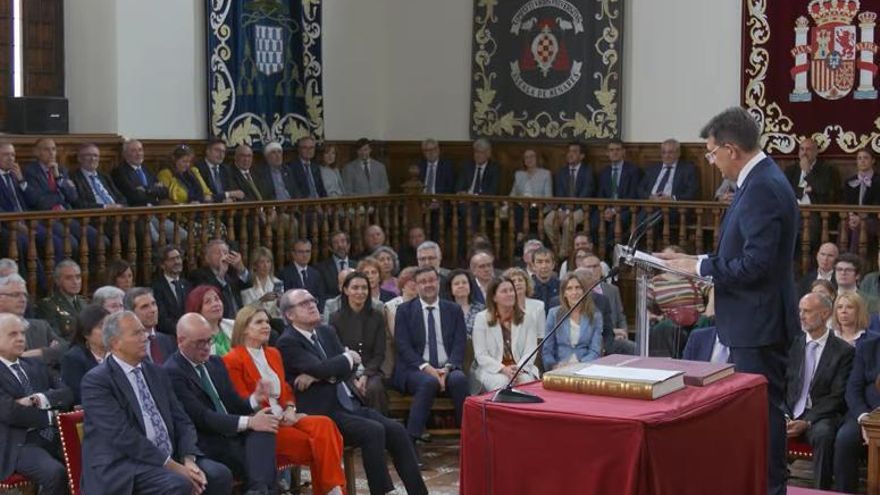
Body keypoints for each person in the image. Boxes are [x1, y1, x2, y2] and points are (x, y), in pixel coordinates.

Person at [659, 107, 799, 495]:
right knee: (754, 416)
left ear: (731, 149)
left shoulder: (764, 188)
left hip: (760, 323)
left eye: (711, 153)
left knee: (763, 415)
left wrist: (700, 266)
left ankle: (770, 488)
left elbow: (757, 264)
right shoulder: (759, 182)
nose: (711, 161)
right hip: (753, 320)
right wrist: (693, 261)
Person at [276, 289, 427, 495]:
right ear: (289, 315)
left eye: (312, 300)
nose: (312, 305)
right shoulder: (288, 341)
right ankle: (383, 491)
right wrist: (346, 357)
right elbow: (335, 365)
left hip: (348, 403)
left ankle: (419, 492)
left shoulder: (326, 332)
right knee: (373, 430)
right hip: (323, 413)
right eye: (303, 303)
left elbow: (347, 369)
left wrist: (318, 374)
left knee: (396, 430)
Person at [80, 311, 233, 495]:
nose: (145, 337)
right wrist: (173, 466)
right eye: (136, 333)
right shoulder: (97, 381)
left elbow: (181, 420)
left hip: (170, 456)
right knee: (179, 483)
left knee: (219, 475)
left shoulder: (156, 372)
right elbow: (123, 436)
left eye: (143, 332)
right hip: (126, 465)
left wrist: (188, 458)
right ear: (115, 343)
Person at [223, 306, 347, 495]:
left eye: (267, 321)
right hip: (265, 426)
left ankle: (332, 490)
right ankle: (333, 490)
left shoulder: (273, 353)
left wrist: (290, 408)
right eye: (259, 322)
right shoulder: (233, 359)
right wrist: (279, 416)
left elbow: (286, 389)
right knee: (319, 444)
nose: (266, 326)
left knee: (326, 425)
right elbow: (240, 402)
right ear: (244, 328)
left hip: (287, 416)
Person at [164, 313, 279, 494]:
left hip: (230, 433)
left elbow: (233, 403)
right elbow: (203, 417)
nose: (206, 347)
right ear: (181, 341)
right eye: (199, 342)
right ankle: (261, 489)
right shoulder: (172, 371)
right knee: (260, 461)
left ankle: (258, 490)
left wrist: (255, 399)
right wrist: (249, 422)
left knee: (265, 431)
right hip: (207, 440)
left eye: (209, 340)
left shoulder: (215, 363)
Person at [392, 267, 469, 447]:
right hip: (415, 370)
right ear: (416, 285)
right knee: (428, 382)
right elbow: (403, 346)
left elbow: (459, 344)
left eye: (431, 280)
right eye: (423, 281)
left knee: (459, 380)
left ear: (438, 282)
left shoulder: (453, 309)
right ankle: (411, 443)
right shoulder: (404, 311)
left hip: (448, 368)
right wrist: (428, 369)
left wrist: (448, 368)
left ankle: (469, 440)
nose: (428, 285)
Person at [784, 293, 853, 490]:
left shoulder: (843, 351)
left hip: (821, 415)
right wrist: (784, 413)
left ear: (824, 314)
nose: (801, 316)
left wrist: (807, 421)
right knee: (767, 426)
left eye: (807, 311)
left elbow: (837, 396)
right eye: (800, 311)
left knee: (823, 434)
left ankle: (820, 490)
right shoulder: (792, 345)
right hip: (789, 411)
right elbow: (781, 384)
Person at [0, 313, 73, 495]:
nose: (20, 339)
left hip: (52, 436)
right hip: (18, 443)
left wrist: (38, 399)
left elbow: (66, 394)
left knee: (92, 462)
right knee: (56, 474)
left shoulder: (35, 364)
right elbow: (10, 412)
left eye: (22, 334)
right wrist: (51, 417)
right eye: (12, 334)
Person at [330, 272, 388, 414]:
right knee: (349, 389)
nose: (360, 292)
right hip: (346, 372)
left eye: (364, 288)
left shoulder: (377, 317)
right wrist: (352, 376)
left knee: (374, 388)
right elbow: (337, 351)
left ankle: (380, 429)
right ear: (346, 290)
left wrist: (365, 375)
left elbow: (379, 353)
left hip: (372, 371)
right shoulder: (336, 318)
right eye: (355, 288)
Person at [471, 277, 541, 393]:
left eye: (511, 290)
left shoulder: (527, 318)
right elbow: (481, 354)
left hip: (521, 368)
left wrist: (518, 370)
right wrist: (503, 369)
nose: (510, 294)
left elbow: (530, 351)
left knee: (525, 383)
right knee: (502, 383)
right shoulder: (481, 318)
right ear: (494, 297)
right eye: (504, 291)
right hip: (492, 370)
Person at [0, 274, 68, 369]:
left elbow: (65, 348)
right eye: (16, 295)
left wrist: (41, 352)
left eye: (24, 295)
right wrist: (51, 352)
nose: (23, 299)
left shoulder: (41, 326)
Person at [542, 272, 603, 370]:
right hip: (559, 367)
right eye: (569, 289)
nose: (574, 292)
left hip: (585, 367)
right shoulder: (554, 314)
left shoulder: (595, 316)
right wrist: (554, 366)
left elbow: (595, 350)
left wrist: (578, 365)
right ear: (564, 293)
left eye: (578, 287)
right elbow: (547, 350)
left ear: (584, 291)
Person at [544, 142, 594, 257]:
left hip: (581, 208)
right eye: (569, 151)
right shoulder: (562, 172)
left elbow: (586, 193)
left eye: (574, 152)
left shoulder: (587, 171)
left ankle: (562, 255)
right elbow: (559, 193)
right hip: (562, 208)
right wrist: (562, 210)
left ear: (582, 156)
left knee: (568, 223)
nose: (570, 154)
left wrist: (568, 212)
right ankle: (560, 250)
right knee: (548, 221)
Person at [595, 139, 641, 249]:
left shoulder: (633, 171)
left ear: (623, 152)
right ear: (607, 153)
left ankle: (609, 256)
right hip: (606, 210)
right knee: (593, 224)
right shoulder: (604, 172)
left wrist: (615, 211)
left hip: (626, 210)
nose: (614, 153)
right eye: (611, 150)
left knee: (614, 227)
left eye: (617, 150)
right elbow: (600, 194)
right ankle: (597, 252)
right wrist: (605, 210)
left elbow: (633, 195)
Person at [189, 239, 252, 319]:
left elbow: (248, 284)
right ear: (207, 258)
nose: (223, 256)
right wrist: (221, 275)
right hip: (219, 321)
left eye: (225, 253)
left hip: (239, 320)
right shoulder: (198, 275)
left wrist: (241, 268)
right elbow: (210, 293)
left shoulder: (231, 272)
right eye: (218, 253)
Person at [61, 304, 109, 404]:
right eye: (101, 326)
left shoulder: (118, 352)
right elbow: (79, 396)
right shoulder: (74, 358)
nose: (107, 330)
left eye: (109, 325)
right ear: (86, 333)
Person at [36, 259, 89, 341]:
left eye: (78, 277)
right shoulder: (48, 305)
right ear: (58, 281)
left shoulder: (83, 302)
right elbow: (55, 338)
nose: (75, 282)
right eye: (69, 278)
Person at [125, 287, 177, 365]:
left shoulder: (168, 341)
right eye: (145, 307)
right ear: (131, 313)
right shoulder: (127, 346)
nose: (153, 310)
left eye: (153, 304)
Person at [70, 143, 126, 210]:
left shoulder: (104, 176)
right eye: (88, 155)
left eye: (95, 156)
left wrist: (121, 206)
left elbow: (120, 197)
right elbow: (78, 203)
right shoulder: (74, 178)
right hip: (95, 215)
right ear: (79, 158)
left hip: (117, 213)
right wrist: (105, 207)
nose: (93, 159)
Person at [152, 246, 193, 336]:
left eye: (178, 258)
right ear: (162, 265)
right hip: (169, 336)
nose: (177, 262)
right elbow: (161, 319)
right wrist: (183, 331)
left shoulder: (187, 285)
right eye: (172, 259)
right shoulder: (156, 287)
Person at [509, 149, 552, 234]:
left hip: (537, 207)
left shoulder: (545, 174)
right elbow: (512, 194)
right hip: (521, 206)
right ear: (524, 161)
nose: (529, 159)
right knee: (517, 209)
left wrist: (535, 203)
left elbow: (548, 196)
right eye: (526, 157)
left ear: (537, 159)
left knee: (523, 212)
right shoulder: (519, 174)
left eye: (532, 156)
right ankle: (521, 235)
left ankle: (520, 236)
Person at [185, 285, 234, 357]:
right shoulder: (195, 340)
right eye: (208, 302)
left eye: (217, 299)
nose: (215, 304)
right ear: (197, 310)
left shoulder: (234, 325)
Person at [279, 239, 327, 311]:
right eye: (301, 252)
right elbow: (285, 299)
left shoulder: (316, 274)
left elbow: (321, 297)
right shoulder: (284, 274)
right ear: (293, 254)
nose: (305, 255)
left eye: (307, 251)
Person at [502, 267, 545, 341]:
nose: (518, 283)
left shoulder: (539, 305)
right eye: (513, 281)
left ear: (526, 283)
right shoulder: (502, 307)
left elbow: (541, 335)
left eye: (520, 280)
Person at [241, 246, 284, 320]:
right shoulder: (247, 283)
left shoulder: (277, 282)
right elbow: (245, 310)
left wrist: (280, 303)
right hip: (254, 320)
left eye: (268, 261)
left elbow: (280, 312)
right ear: (254, 265)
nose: (266, 265)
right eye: (262, 262)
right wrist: (261, 300)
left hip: (274, 320)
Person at [195, 138, 244, 203]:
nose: (221, 155)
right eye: (217, 150)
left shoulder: (226, 169)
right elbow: (205, 196)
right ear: (207, 151)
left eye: (223, 152)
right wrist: (227, 195)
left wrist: (232, 199)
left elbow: (237, 193)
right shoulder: (198, 168)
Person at [316, 231, 356, 299]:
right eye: (335, 242)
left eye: (343, 241)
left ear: (349, 245)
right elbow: (321, 294)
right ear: (330, 248)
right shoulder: (321, 269)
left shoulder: (357, 265)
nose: (340, 245)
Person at [447, 269, 485, 337]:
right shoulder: (445, 310)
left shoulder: (481, 309)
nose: (461, 286)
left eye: (464, 282)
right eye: (456, 284)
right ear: (450, 288)